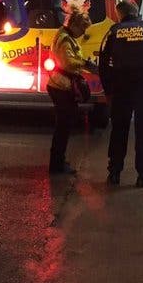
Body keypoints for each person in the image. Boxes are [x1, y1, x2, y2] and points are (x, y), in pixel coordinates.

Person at [97, 0, 143, 187]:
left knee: (119, 129)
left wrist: (108, 90)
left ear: (119, 14)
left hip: (121, 86)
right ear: (137, 12)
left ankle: (114, 173)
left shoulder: (112, 32)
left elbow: (103, 64)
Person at [46, 9, 90, 175]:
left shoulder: (65, 35)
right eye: (83, 29)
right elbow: (69, 62)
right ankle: (57, 164)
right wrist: (84, 64)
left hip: (59, 85)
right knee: (63, 127)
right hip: (61, 86)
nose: (83, 33)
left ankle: (58, 161)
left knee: (63, 126)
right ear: (76, 25)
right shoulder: (65, 39)